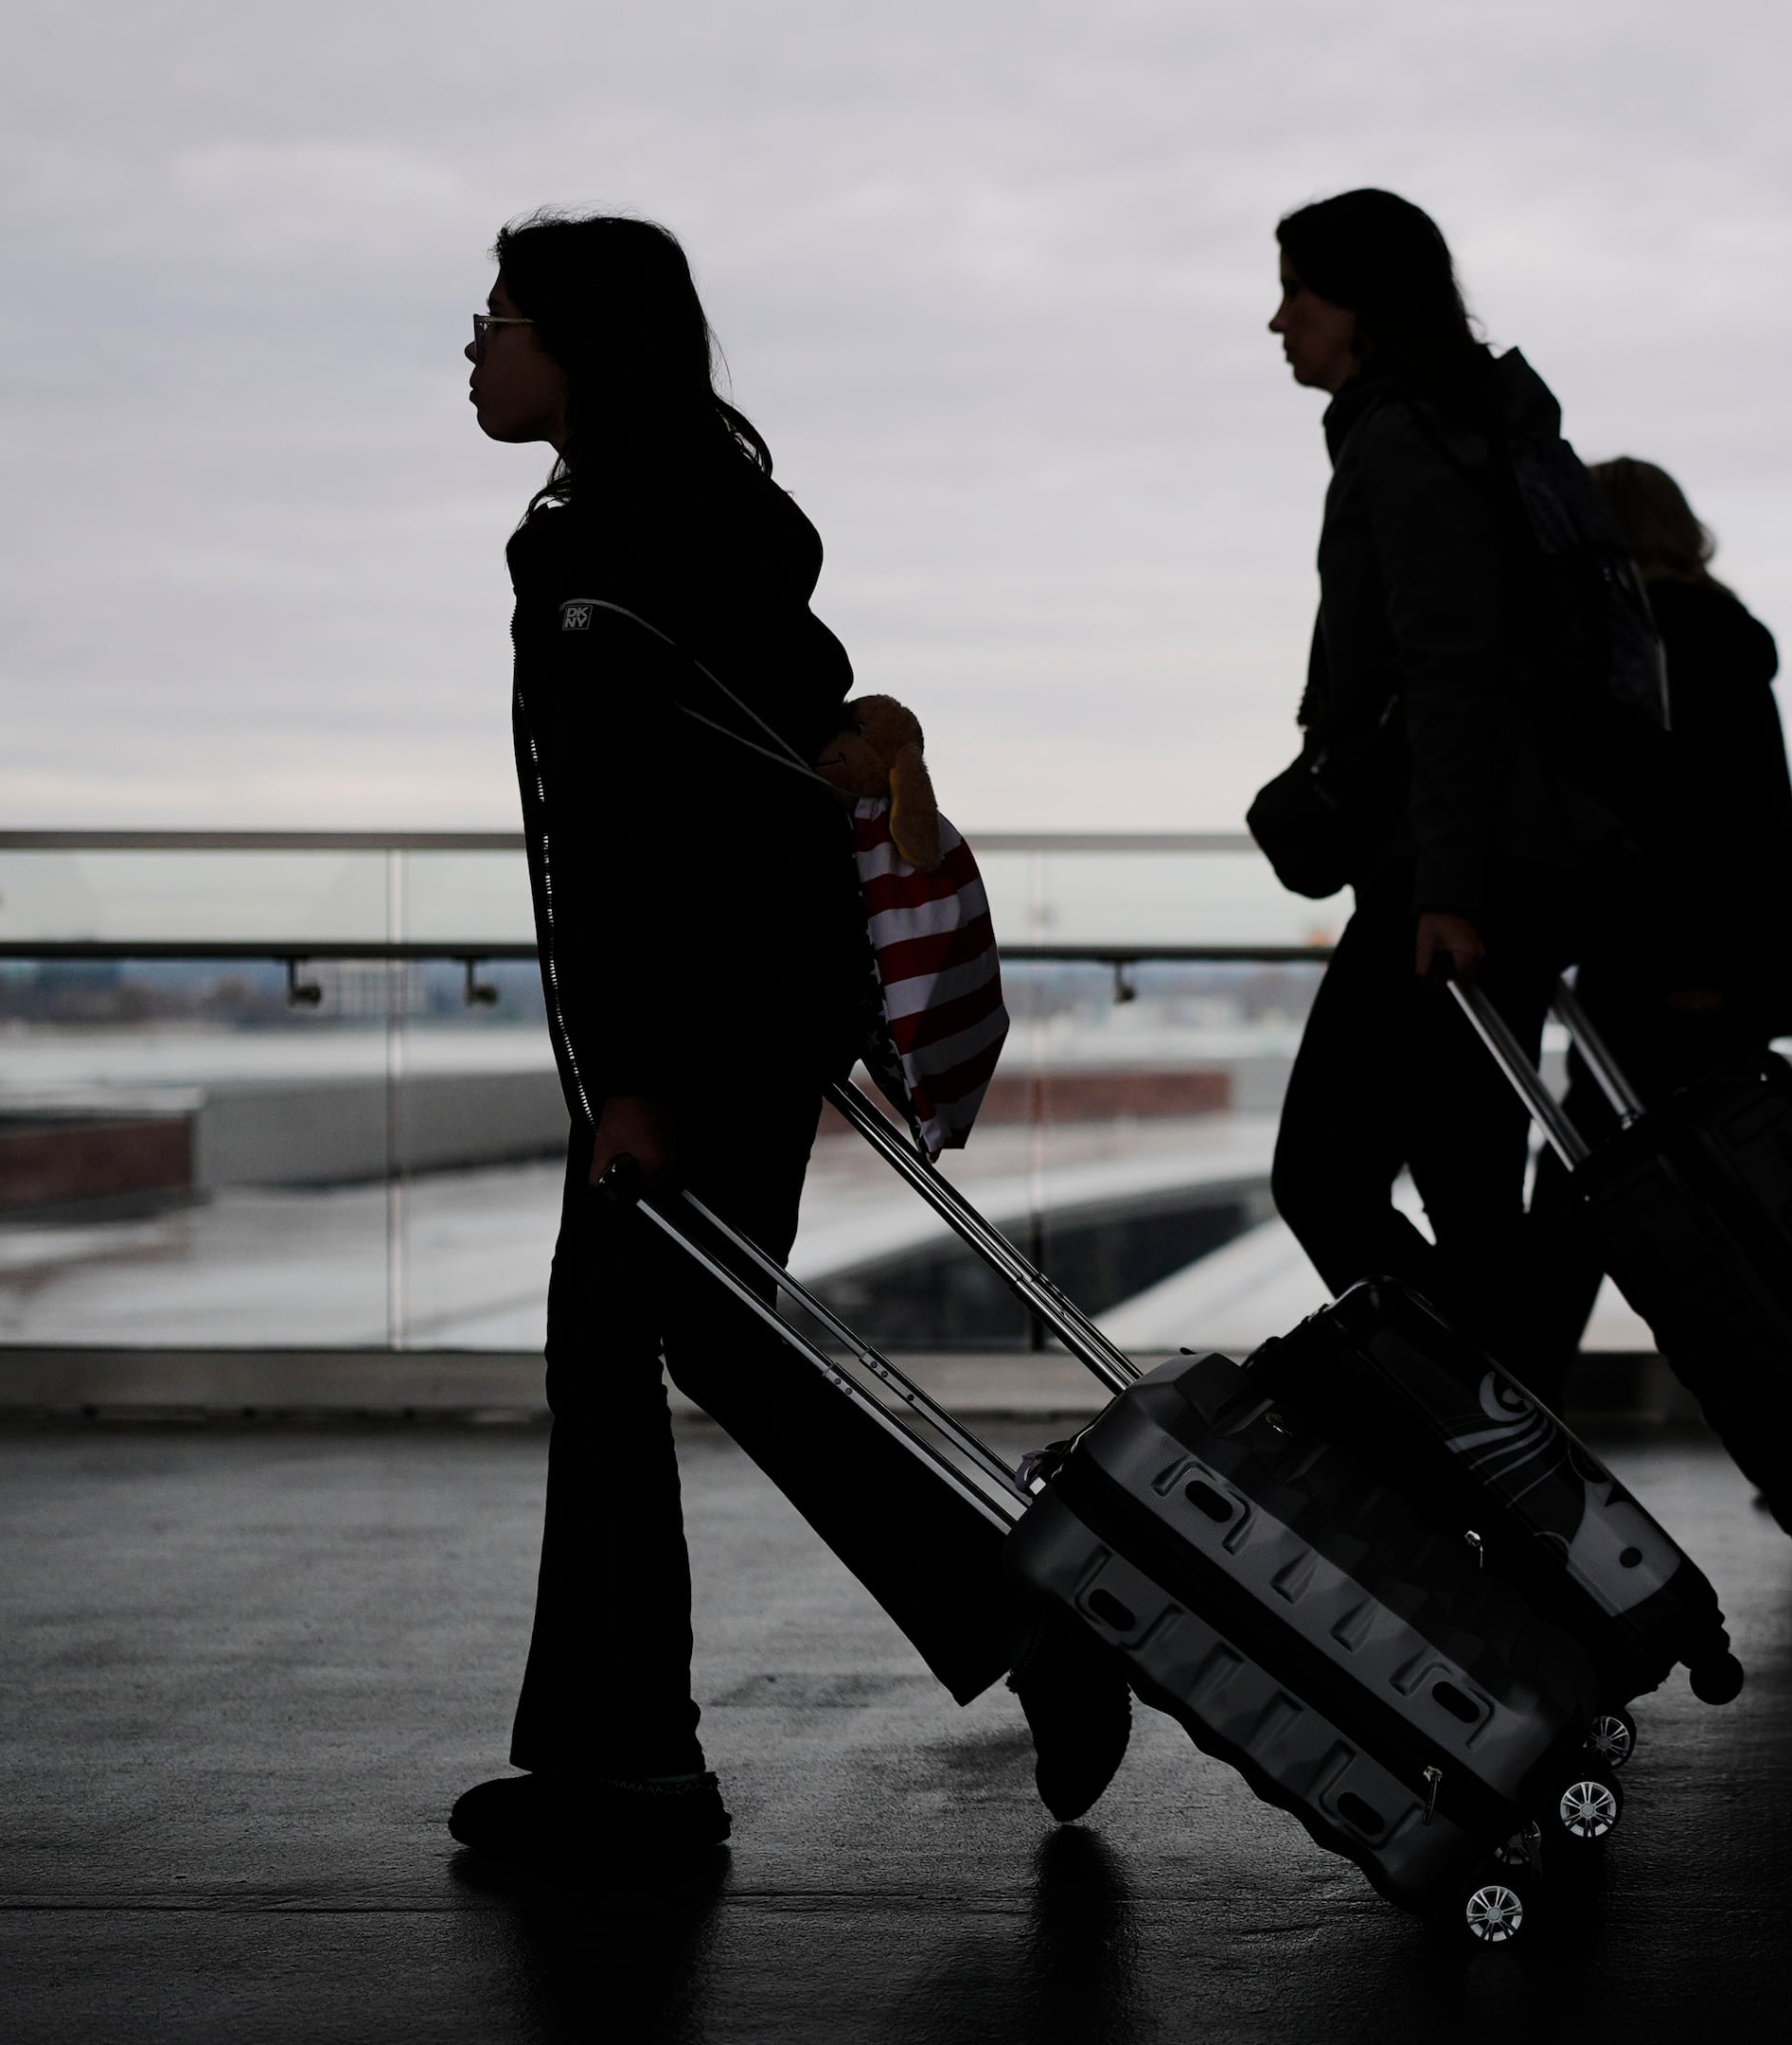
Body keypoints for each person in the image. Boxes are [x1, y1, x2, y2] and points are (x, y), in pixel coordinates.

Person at [449, 212, 1126, 1857]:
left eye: (503, 317)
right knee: (714, 1341)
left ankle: (634, 1762)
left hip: (685, 1035)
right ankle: (1019, 1620)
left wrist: (634, 1083)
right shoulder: (726, 532)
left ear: (582, 352)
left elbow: (625, 845)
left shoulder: (602, 557)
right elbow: (785, 772)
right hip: (767, 1006)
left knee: (612, 1360)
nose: (476, 344)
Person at [1257, 188, 1624, 1375]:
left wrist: (1447, 891)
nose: (1277, 323)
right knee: (1471, 1192)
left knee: (1322, 1175)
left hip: (1451, 873)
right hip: (1510, 857)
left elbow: (1451, 671)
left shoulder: (1409, 438)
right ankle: (1511, 1450)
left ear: (1358, 306)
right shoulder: (1477, 429)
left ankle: (1477, 1412)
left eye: (1295, 292)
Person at [1523, 459, 1792, 1399]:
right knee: (1729, 1191)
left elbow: (1689, 820)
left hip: (1668, 964)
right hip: (1717, 969)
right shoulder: (1720, 634)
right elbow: (1740, 822)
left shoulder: (1661, 642)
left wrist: (1689, 960)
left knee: (1584, 1179)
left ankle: (1514, 1388)